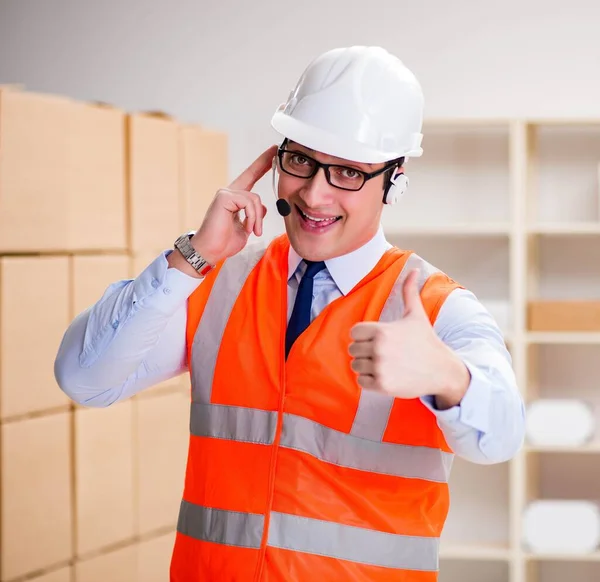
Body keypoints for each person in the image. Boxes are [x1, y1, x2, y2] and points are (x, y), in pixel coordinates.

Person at [54, 46, 525, 582]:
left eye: (347, 171)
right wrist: (193, 257)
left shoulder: (434, 308)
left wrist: (447, 377)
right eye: (300, 160)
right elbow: (83, 378)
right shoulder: (219, 283)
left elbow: (503, 434)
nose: (314, 194)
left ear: (394, 180)